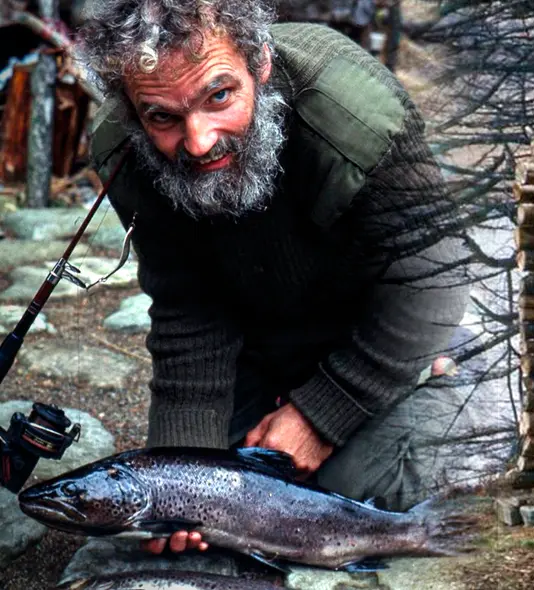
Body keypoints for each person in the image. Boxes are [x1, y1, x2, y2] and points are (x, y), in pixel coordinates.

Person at [73, 0, 470, 557]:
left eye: (219, 96)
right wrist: (179, 481)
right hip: (258, 344)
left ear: (259, 61)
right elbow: (188, 306)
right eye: (162, 116)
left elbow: (437, 283)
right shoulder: (124, 147)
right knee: (221, 516)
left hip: (372, 333)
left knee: (364, 491)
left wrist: (321, 414)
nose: (199, 140)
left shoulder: (357, 114)